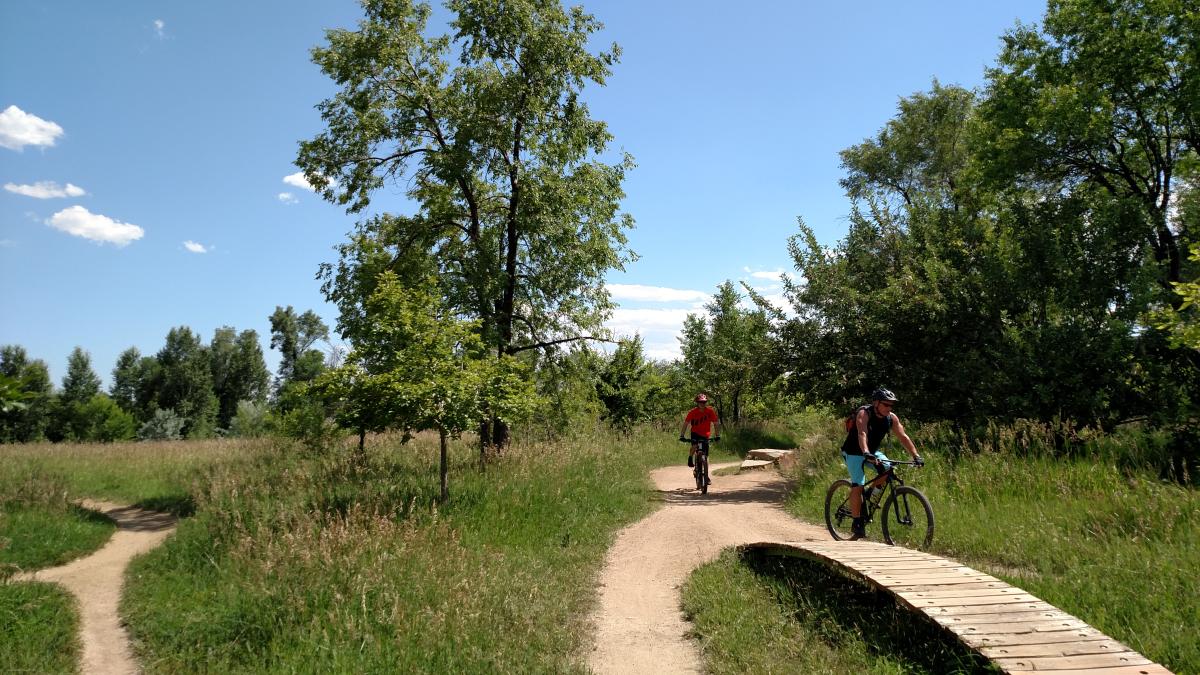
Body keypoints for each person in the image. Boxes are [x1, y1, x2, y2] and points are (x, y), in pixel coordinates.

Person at [841, 387, 923, 540]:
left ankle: (870, 494)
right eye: (886, 404)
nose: (889, 408)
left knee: (888, 469)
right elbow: (862, 433)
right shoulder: (864, 413)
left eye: (891, 405)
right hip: (853, 452)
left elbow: (903, 437)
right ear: (876, 403)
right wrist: (866, 452)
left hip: (872, 451)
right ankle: (857, 522)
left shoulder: (891, 418)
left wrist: (916, 455)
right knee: (858, 483)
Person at [679, 394, 720, 479]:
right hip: (695, 433)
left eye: (704, 402)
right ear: (697, 403)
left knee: (706, 455)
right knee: (694, 445)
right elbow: (686, 423)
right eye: (700, 402)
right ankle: (690, 458)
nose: (702, 404)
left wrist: (717, 435)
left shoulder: (710, 411)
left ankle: (706, 474)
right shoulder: (692, 412)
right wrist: (682, 435)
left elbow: (715, 423)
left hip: (705, 434)